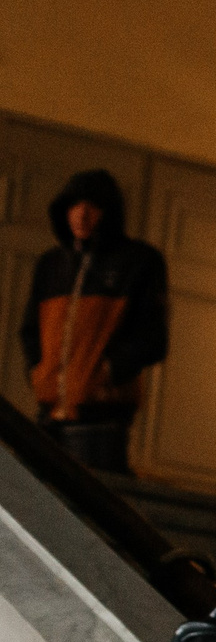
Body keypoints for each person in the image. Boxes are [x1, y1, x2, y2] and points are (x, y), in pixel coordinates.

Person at [18, 169, 168, 475]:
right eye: (74, 206)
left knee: (90, 513)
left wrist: (105, 373)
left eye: (93, 206)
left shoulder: (139, 262)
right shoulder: (51, 264)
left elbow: (153, 338)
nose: (82, 215)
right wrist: (39, 373)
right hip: (48, 418)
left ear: (109, 212)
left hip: (103, 424)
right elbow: (30, 330)